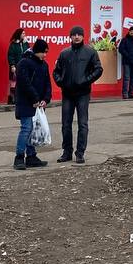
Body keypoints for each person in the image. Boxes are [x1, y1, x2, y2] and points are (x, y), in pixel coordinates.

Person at [53, 25, 103, 164]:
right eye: (74, 34)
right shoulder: (64, 53)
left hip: (83, 94)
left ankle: (80, 153)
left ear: (83, 36)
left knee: (83, 124)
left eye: (79, 34)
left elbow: (98, 69)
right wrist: (61, 82)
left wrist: (86, 81)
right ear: (70, 37)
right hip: (67, 94)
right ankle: (66, 152)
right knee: (66, 125)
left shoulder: (90, 52)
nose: (76, 37)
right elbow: (56, 71)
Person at [13, 38, 51, 171]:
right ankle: (19, 157)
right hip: (25, 102)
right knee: (26, 128)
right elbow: (24, 83)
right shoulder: (24, 63)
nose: (45, 55)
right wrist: (35, 98)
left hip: (37, 104)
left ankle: (31, 156)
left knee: (32, 129)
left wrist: (45, 99)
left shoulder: (44, 65)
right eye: (43, 52)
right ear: (37, 51)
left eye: (46, 52)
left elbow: (47, 83)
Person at [6, 27, 27, 107]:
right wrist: (12, 65)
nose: (24, 35)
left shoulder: (25, 44)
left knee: (23, 82)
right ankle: (12, 98)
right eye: (23, 33)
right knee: (13, 83)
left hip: (24, 67)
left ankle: (20, 98)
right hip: (15, 67)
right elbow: (10, 56)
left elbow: (28, 52)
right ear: (19, 34)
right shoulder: (13, 45)